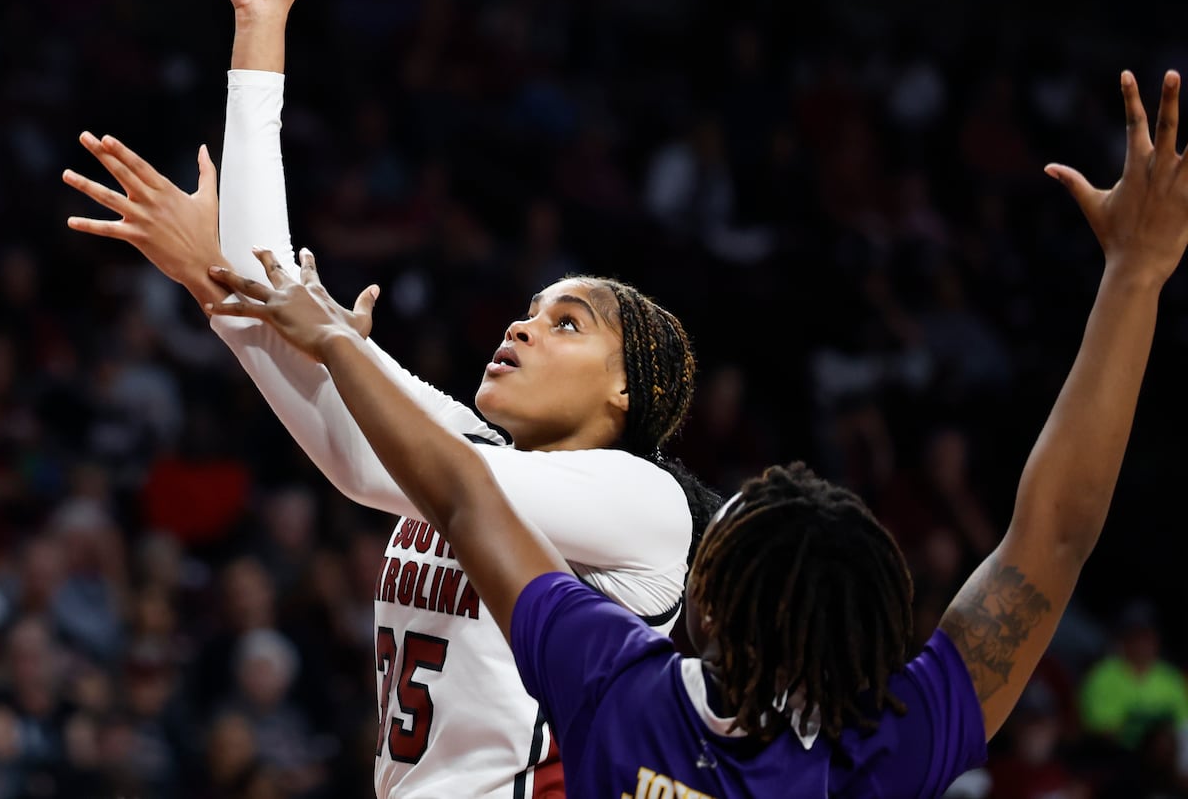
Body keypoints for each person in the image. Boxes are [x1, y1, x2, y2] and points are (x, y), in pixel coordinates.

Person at [197, 69, 1188, 798]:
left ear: (704, 591)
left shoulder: (616, 685)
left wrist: (336, 343)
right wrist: (1135, 279)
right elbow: (1054, 532)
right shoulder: (890, 745)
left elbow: (461, 492)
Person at [63, 0, 720, 798]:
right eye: (527, 310)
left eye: (566, 323)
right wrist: (260, 23)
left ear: (623, 389)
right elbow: (288, 332)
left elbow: (377, 458)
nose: (523, 327)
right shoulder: (461, 448)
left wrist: (335, 341)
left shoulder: (646, 505)